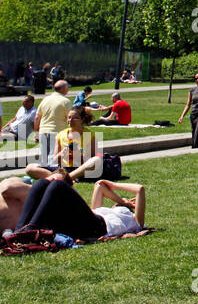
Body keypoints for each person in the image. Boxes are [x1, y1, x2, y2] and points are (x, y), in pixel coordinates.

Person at [12, 171, 146, 240]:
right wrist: (122, 202)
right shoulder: (102, 210)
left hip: (98, 228)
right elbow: (100, 186)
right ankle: (19, 232)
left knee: (58, 185)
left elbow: (140, 189)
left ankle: (30, 230)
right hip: (85, 223)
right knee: (42, 183)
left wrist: (116, 186)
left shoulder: (135, 221)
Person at [27, 106, 101, 181]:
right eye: (69, 117)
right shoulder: (61, 135)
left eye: (75, 118)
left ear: (82, 119)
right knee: (30, 168)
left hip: (79, 169)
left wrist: (79, 155)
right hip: (63, 169)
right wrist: (61, 154)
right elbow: (54, 160)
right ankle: (65, 178)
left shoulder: (90, 135)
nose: (70, 120)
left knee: (96, 160)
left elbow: (92, 160)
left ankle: (64, 178)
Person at [34, 81, 72, 170]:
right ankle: (53, 177)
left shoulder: (45, 99)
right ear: (63, 89)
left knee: (44, 159)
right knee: (53, 159)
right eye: (67, 87)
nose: (68, 89)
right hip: (57, 131)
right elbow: (71, 118)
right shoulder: (66, 101)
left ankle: (43, 176)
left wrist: (36, 132)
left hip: (43, 131)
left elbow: (37, 117)